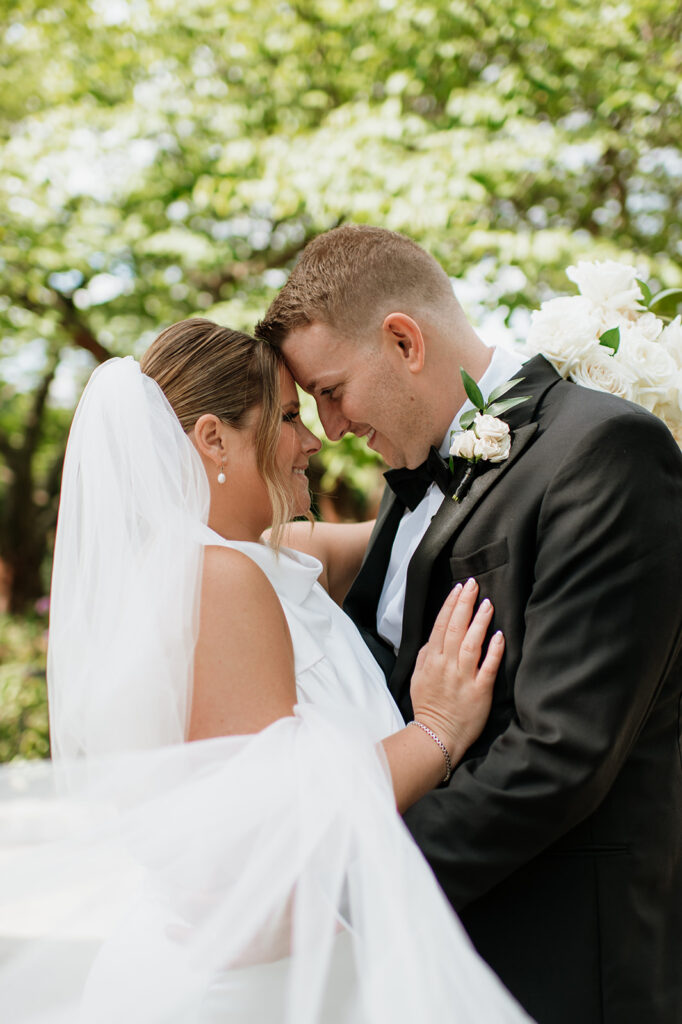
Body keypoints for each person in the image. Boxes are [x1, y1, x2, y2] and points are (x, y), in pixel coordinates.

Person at [0, 319, 532, 1024]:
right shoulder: (217, 578)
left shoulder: (238, 559)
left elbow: (412, 535)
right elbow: (286, 821)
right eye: (287, 416)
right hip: (248, 991)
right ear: (214, 439)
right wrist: (437, 730)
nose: (314, 438)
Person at [255, 224, 682, 1024]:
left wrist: (356, 885)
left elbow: (561, 752)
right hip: (437, 962)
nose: (332, 427)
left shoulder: (604, 451)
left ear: (403, 341)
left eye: (331, 390)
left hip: (561, 960)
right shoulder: (406, 482)